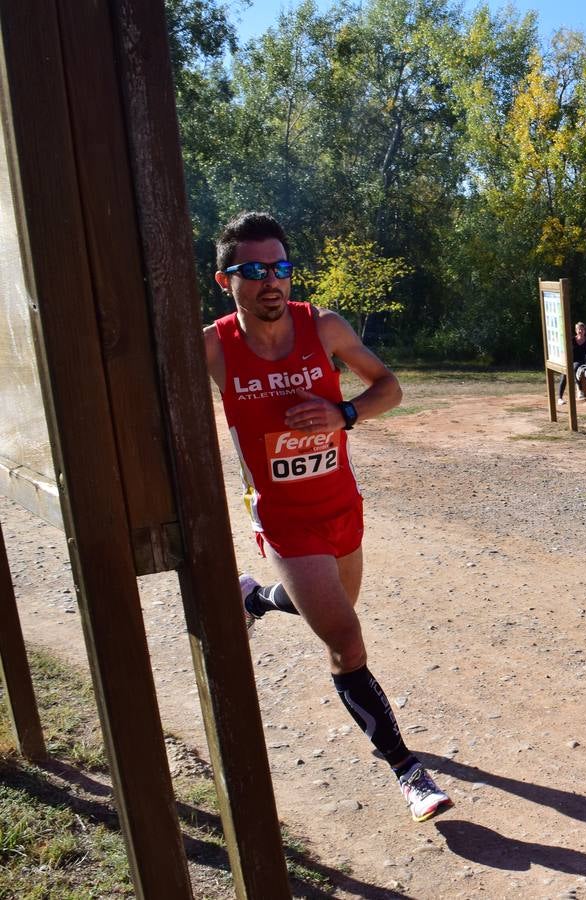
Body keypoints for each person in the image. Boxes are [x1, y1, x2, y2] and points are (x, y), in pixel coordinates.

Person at [202, 211, 452, 822]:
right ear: (223, 278)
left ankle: (256, 599)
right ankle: (407, 771)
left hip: (342, 508)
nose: (271, 282)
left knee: (334, 609)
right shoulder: (212, 347)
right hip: (285, 522)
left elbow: (388, 387)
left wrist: (344, 413)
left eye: (280, 268)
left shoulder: (325, 326)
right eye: (255, 270)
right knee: (344, 640)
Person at [558, 321, 586, 400]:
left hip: (582, 362)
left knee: (575, 367)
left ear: (585, 331)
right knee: (564, 375)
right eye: (578, 329)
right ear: (576, 330)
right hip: (570, 361)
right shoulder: (571, 340)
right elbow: (565, 351)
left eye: (582, 329)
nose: (580, 331)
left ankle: (580, 389)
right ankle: (560, 398)